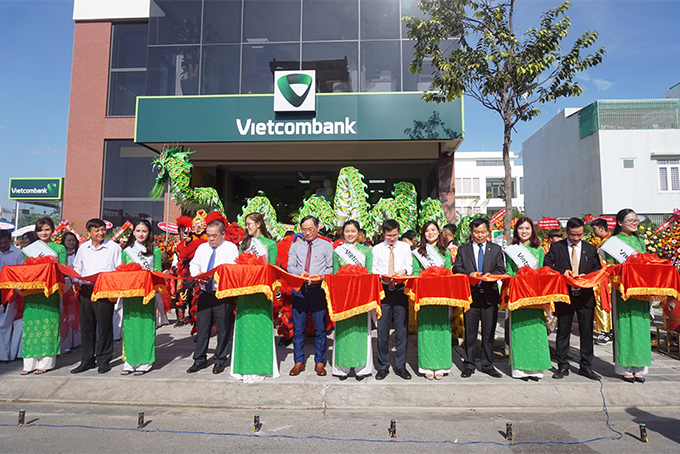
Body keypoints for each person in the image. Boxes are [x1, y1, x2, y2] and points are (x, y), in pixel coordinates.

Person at [545, 217, 602, 381]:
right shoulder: (557, 247)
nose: (576, 238)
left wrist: (588, 276)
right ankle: (562, 366)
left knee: (586, 332)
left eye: (579, 235)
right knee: (563, 332)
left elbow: (597, 268)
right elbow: (547, 264)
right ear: (566, 233)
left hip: (585, 296)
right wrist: (563, 271)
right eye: (573, 235)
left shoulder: (590, 249)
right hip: (565, 294)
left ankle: (586, 366)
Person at [600, 209, 649, 383]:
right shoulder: (613, 242)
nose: (635, 223)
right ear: (620, 223)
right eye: (630, 220)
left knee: (641, 326)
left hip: (640, 289)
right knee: (624, 325)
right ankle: (625, 368)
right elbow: (610, 267)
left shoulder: (639, 241)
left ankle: (640, 367)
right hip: (622, 290)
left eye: (636, 220)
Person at [453, 217, 506, 378]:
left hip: (489, 295)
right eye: (476, 232)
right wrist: (469, 274)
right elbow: (456, 269)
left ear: (488, 232)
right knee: (470, 332)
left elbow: (500, 269)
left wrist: (492, 275)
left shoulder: (496, 249)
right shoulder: (464, 250)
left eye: (482, 232)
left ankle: (487, 364)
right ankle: (468, 364)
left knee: (489, 332)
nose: (479, 235)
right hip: (471, 296)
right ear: (471, 232)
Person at [187, 215, 239, 375]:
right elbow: (194, 264)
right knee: (202, 328)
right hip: (205, 292)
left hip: (222, 293)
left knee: (223, 329)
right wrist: (198, 274)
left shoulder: (231, 248)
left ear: (223, 234)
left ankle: (220, 359)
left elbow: (231, 268)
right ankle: (199, 360)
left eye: (214, 236)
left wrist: (214, 275)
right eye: (208, 235)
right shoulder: (202, 248)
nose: (211, 239)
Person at [231, 212, 279, 382]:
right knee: (245, 329)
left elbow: (272, 270)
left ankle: (262, 366)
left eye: (250, 223)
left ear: (259, 224)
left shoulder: (271, 244)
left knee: (261, 329)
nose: (247, 227)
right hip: (245, 293)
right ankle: (243, 366)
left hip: (262, 294)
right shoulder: (243, 244)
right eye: (246, 224)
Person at [71, 218, 122, 374]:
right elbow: (77, 267)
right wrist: (75, 281)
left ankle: (104, 360)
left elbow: (119, 269)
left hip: (104, 290)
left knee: (104, 326)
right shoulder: (83, 248)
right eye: (97, 230)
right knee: (87, 327)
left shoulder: (113, 247)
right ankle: (87, 360)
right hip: (86, 290)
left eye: (103, 229)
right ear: (88, 232)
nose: (101, 233)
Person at [503, 217, 550, 381]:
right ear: (516, 231)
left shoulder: (540, 250)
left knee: (536, 329)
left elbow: (542, 272)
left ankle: (536, 369)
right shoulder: (511, 249)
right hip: (518, 295)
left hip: (535, 295)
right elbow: (509, 271)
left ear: (532, 230)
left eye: (527, 228)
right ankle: (520, 369)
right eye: (521, 228)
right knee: (519, 331)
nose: (524, 231)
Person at [287, 216, 333, 376]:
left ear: (317, 228)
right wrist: (299, 273)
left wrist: (320, 276)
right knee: (298, 328)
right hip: (299, 290)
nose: (307, 232)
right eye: (304, 229)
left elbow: (330, 268)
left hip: (317, 289)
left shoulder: (327, 246)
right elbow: (289, 266)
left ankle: (319, 362)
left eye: (310, 229)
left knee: (320, 328)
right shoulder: (296, 246)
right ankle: (298, 361)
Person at [20, 218, 67, 375]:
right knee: (30, 326)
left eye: (47, 229)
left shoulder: (59, 249)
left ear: (53, 230)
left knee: (49, 326)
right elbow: (26, 270)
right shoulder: (30, 249)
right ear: (36, 232)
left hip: (50, 292)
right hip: (33, 293)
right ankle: (28, 364)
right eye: (40, 230)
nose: (44, 233)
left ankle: (46, 363)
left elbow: (62, 270)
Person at [331, 220, 374, 381]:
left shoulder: (367, 252)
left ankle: (361, 369)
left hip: (360, 298)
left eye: (353, 231)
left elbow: (369, 275)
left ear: (359, 233)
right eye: (347, 231)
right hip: (343, 298)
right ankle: (341, 369)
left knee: (360, 332)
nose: (350, 234)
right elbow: (335, 275)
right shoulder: (338, 251)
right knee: (343, 332)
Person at [373, 219, 413, 380]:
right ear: (383, 234)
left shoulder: (404, 247)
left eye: (395, 235)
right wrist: (383, 276)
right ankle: (383, 366)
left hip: (400, 289)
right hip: (383, 291)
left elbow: (409, 266)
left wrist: (403, 271)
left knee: (401, 330)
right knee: (382, 331)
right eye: (389, 236)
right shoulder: (376, 249)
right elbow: (373, 269)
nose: (392, 238)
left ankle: (401, 366)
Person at [412, 221, 453, 380]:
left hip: (442, 296)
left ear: (439, 232)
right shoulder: (418, 252)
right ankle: (426, 365)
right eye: (427, 231)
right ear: (423, 234)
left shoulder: (446, 252)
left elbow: (448, 273)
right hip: (425, 296)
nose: (430, 233)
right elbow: (416, 272)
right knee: (426, 330)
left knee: (442, 329)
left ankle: (442, 364)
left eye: (433, 230)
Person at [120, 220, 162, 375]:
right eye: (138, 231)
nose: (141, 234)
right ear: (133, 232)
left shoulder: (155, 250)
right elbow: (122, 271)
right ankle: (130, 361)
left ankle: (145, 361)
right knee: (130, 326)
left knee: (146, 326)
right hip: (130, 294)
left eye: (144, 231)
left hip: (147, 293)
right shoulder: (127, 251)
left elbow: (157, 271)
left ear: (149, 232)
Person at [0, 230, 24, 362]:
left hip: (12, 292)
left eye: (5, 242)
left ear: (10, 241)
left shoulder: (18, 253)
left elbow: (20, 273)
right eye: (0, 243)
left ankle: (7, 353)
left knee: (6, 322)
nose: (3, 245)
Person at [591, 218, 612, 345]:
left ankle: (606, 332)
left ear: (601, 229)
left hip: (605, 278)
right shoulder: (605, 241)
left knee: (603, 303)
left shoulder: (608, 242)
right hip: (603, 277)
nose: (594, 232)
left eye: (594, 229)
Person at [60, 231, 81, 353]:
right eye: (68, 240)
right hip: (64, 285)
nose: (71, 242)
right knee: (65, 313)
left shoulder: (78, 254)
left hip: (75, 285)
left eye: (73, 240)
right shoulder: (60, 255)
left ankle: (76, 340)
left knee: (75, 313)